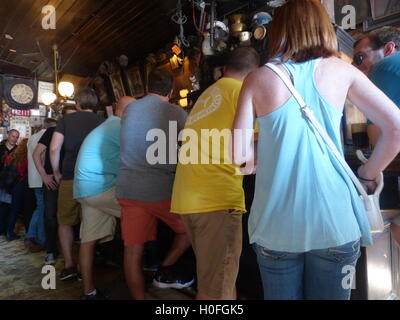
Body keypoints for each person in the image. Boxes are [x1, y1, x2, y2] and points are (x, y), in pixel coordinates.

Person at [232, 0, 400, 300]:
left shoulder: (256, 79)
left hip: (275, 227)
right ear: (323, 27)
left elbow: (238, 157)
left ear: (278, 32)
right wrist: (366, 172)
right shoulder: (342, 70)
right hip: (336, 224)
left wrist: (264, 155)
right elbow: (396, 129)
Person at [170, 47, 260, 300]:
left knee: (220, 279)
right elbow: (252, 146)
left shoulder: (207, 95)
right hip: (216, 201)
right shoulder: (243, 93)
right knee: (214, 292)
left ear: (225, 69)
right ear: (255, 74)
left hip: (189, 200)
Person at [116, 70, 192, 300]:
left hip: (127, 188)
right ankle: (164, 271)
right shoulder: (176, 111)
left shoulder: (130, 109)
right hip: (159, 189)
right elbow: (192, 145)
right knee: (191, 230)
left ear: (147, 87)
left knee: (133, 249)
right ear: (170, 92)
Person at [74, 96, 135, 300]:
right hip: (99, 188)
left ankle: (88, 292)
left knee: (88, 240)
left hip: (86, 190)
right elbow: (140, 159)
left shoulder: (108, 126)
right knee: (140, 216)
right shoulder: (120, 128)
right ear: (130, 112)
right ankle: (140, 275)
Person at [353, 26, 400, 247]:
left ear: (389, 48)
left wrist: (367, 174)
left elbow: (379, 135)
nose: (357, 66)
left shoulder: (384, 68)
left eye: (361, 57)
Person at [50, 89, 103, 280]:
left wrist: (56, 172)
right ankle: (84, 267)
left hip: (71, 176)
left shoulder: (65, 121)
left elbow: (55, 148)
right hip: (95, 180)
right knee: (88, 223)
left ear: (78, 102)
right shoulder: (102, 121)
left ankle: (69, 265)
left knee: (65, 221)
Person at [33, 107, 76, 265]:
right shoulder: (52, 131)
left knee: (69, 218)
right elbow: (36, 153)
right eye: (70, 116)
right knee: (50, 216)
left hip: (70, 180)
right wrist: (44, 175)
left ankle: (70, 255)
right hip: (52, 181)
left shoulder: (77, 133)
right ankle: (52, 250)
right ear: (62, 118)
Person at [25, 120, 57, 252]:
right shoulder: (48, 136)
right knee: (43, 209)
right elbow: (44, 159)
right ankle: (38, 237)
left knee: (40, 207)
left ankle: (33, 235)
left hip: (33, 178)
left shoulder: (32, 137)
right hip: (42, 178)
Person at [0, 138, 29, 241]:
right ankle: (10, 232)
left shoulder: (12, 155)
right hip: (19, 185)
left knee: (6, 207)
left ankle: (3, 230)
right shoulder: (26, 158)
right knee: (15, 210)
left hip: (8, 185)